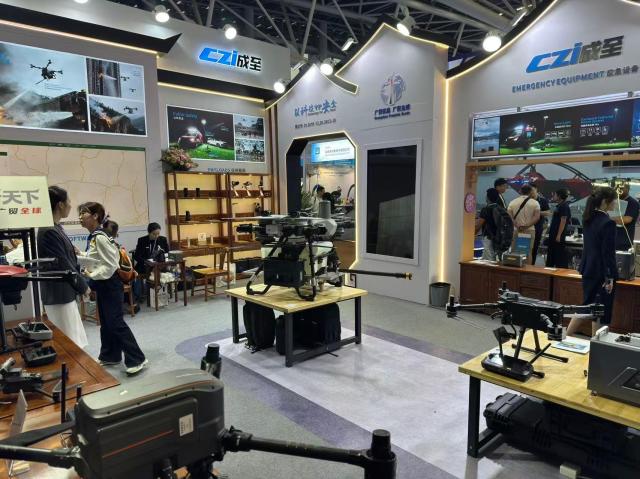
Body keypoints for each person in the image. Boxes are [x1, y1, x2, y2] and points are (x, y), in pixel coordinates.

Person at [78, 202, 148, 375]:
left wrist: (90, 274)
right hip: (104, 284)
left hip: (110, 284)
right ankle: (110, 356)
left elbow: (110, 265)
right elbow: (98, 258)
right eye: (79, 214)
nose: (80, 217)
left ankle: (137, 358)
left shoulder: (100, 237)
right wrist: (81, 255)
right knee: (107, 323)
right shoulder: (96, 236)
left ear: (95, 216)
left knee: (115, 322)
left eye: (83, 213)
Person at [36, 186, 89, 348]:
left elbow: (66, 258)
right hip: (58, 294)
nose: (70, 205)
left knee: (73, 337)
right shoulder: (49, 231)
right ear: (60, 204)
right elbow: (63, 264)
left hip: (64, 292)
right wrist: (83, 286)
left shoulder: (55, 227)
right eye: (69, 201)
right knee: (69, 341)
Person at [568, 187, 617, 336]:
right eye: (614, 200)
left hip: (588, 268)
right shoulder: (608, 223)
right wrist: (609, 277)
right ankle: (592, 341)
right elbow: (607, 253)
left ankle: (569, 337)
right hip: (601, 272)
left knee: (590, 307)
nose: (616, 203)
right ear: (606, 202)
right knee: (597, 309)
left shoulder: (588, 218)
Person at [507, 184, 540, 264]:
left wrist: (516, 224)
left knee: (515, 251)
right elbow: (537, 217)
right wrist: (526, 226)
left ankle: (515, 268)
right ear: (530, 192)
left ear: (520, 191)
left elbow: (509, 216)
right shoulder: (535, 203)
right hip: (529, 230)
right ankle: (527, 269)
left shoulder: (512, 202)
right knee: (528, 252)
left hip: (516, 230)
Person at [545, 188, 571, 268]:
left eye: (555, 195)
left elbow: (563, 221)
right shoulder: (559, 206)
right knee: (551, 254)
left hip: (557, 235)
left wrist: (559, 235)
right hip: (553, 233)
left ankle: (558, 271)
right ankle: (549, 269)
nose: (553, 196)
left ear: (559, 196)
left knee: (558, 255)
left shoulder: (564, 206)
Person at [476, 188, 501, 261]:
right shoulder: (501, 209)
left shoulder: (486, 209)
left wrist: (472, 235)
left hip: (488, 237)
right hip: (499, 237)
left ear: (487, 197)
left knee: (488, 260)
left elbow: (478, 225)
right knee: (493, 258)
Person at [613, 183, 639, 251]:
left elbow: (626, 220)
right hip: (610, 240)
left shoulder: (633, 203)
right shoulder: (613, 201)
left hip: (623, 242)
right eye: (617, 187)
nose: (618, 190)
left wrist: (607, 218)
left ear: (627, 189)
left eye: (621, 188)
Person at [530, 183, 551, 264]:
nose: (530, 192)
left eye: (532, 190)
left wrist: (537, 213)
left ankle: (532, 264)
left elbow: (548, 212)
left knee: (535, 247)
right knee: (525, 246)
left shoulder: (543, 200)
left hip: (538, 227)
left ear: (536, 189)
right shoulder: (526, 200)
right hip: (526, 227)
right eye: (529, 190)